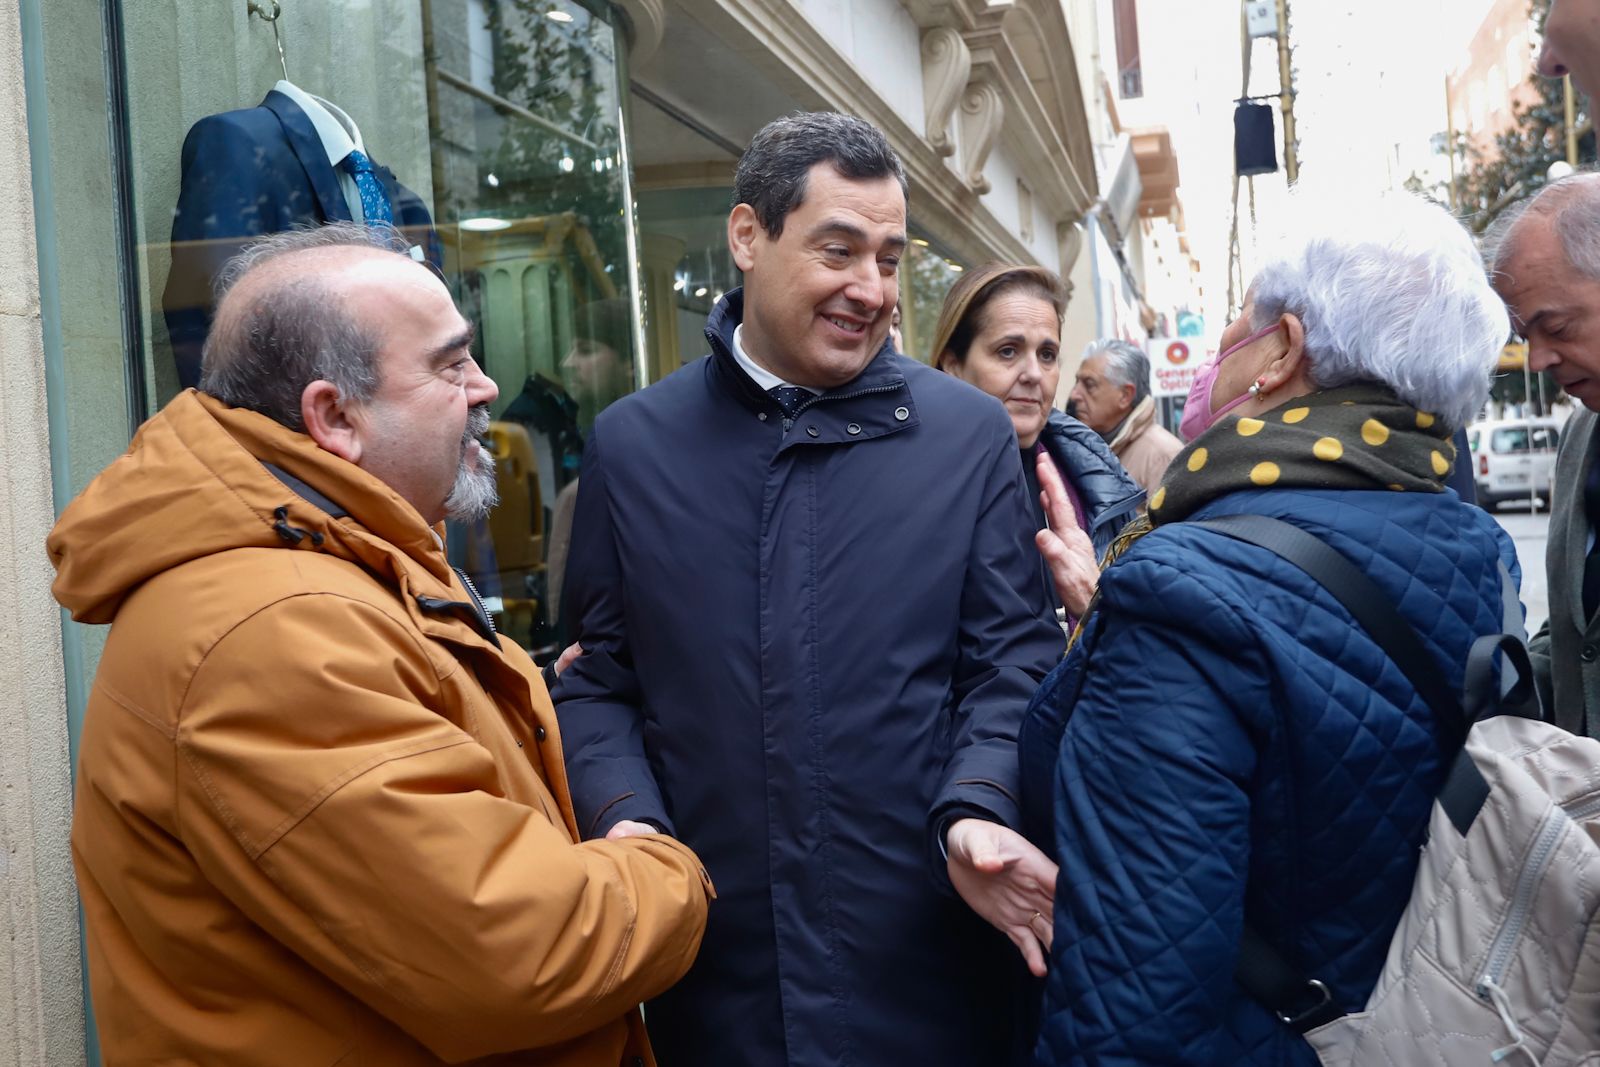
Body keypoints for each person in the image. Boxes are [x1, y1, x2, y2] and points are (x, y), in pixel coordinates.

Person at [48, 223, 711, 1067]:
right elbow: (523, 952)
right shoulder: (273, 635)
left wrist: (519, 693)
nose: (487, 385)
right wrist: (665, 865)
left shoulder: (326, 574)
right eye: (449, 363)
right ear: (334, 416)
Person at [552, 112, 1064, 1066]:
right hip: (719, 991)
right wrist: (629, 821)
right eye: (840, 251)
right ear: (748, 236)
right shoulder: (633, 446)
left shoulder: (968, 437)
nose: (871, 290)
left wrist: (980, 804)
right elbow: (597, 679)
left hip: (931, 982)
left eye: (888, 257)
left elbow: (1014, 664)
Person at [1019, 192, 1517, 1065]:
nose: (1217, 353)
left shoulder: (1184, 589)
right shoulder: (1480, 544)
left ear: (1283, 350)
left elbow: (1134, 1008)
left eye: (1235, 325)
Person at [933, 264, 1142, 625]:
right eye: (1008, 351)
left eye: (1047, 354)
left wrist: (1095, 607)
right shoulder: (915, 483)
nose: (1033, 375)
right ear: (953, 365)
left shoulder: (1096, 481)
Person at [1490, 172, 1600, 738]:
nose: (1536, 360)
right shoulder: (1581, 436)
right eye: (1523, 335)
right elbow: (1575, 635)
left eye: (1553, 326)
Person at [1067, 339, 1183, 491]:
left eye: (1089, 384)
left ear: (1125, 396)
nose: (1074, 394)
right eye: (1077, 382)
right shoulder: (1083, 445)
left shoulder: (1164, 457)